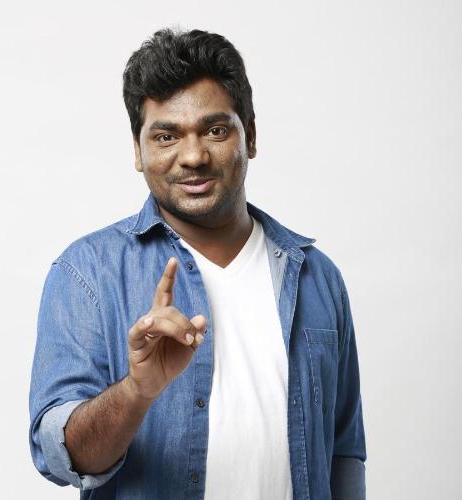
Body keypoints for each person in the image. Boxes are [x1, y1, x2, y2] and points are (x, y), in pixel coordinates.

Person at [29, 27, 366, 500]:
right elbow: (62, 457)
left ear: (250, 136)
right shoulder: (87, 273)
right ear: (138, 151)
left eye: (215, 130)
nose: (193, 156)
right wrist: (137, 391)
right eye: (166, 136)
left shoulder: (317, 277)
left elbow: (344, 452)